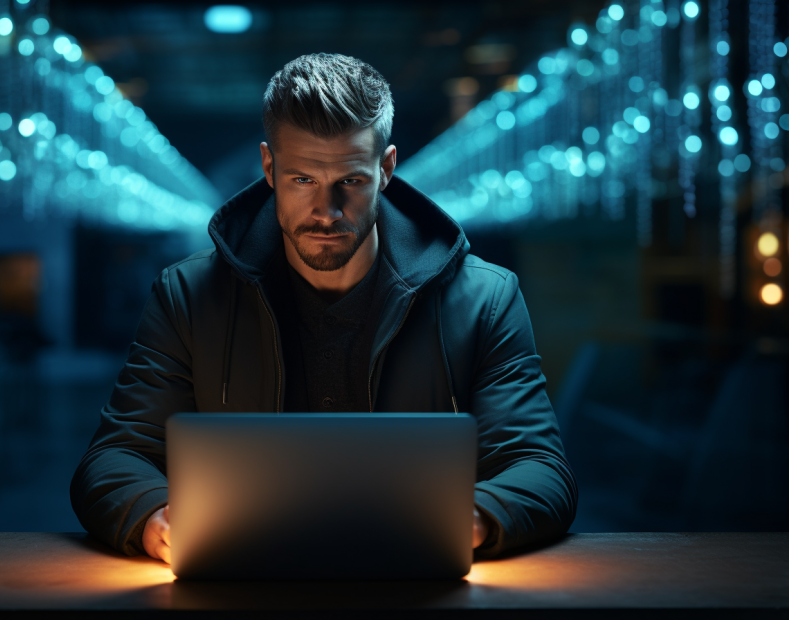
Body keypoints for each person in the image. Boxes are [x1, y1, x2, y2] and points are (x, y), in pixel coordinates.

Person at [71, 53, 577, 564]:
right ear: (269, 167)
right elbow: (115, 457)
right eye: (303, 181)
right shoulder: (187, 296)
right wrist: (155, 518)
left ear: (386, 169)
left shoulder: (485, 300)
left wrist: (472, 519)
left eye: (350, 183)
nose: (327, 213)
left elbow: (540, 468)